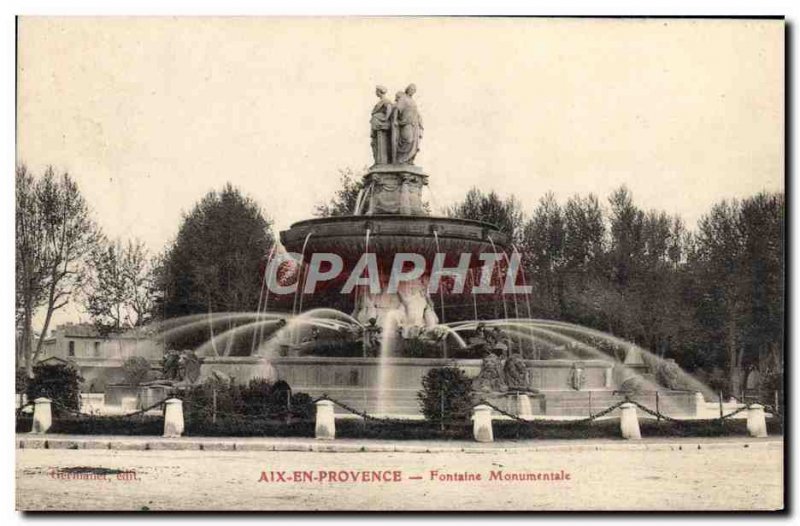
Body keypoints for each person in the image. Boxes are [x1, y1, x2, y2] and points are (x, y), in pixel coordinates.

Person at [391, 84, 423, 164]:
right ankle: (401, 159)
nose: (412, 91)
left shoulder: (412, 100)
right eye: (411, 89)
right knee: (408, 140)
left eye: (414, 90)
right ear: (407, 89)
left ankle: (408, 160)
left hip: (414, 124)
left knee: (414, 142)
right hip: (406, 123)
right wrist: (395, 120)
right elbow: (397, 109)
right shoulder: (403, 98)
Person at [370, 85, 393, 165]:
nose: (376, 92)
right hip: (377, 125)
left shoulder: (385, 101)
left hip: (381, 125)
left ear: (379, 91)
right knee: (375, 143)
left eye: (376, 91)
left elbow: (389, 109)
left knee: (381, 143)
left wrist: (385, 119)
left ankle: (382, 162)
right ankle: (378, 161)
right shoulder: (381, 101)